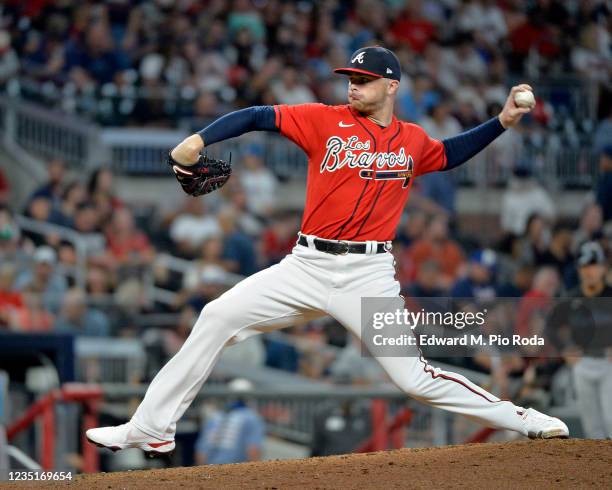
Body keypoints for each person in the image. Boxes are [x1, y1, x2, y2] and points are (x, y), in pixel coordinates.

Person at [87, 46, 568, 457]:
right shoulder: (323, 121)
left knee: (413, 379)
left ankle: (521, 418)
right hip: (306, 265)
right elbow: (258, 115)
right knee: (215, 316)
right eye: (350, 79)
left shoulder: (412, 141)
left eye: (363, 80)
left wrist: (502, 122)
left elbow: (450, 153)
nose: (353, 86)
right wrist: (199, 138)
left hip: (369, 275)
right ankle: (152, 428)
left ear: (391, 86)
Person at [566, 242, 612, 439]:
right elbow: (553, 327)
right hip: (583, 362)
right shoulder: (572, 297)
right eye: (584, 266)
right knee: (592, 426)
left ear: (603, 267)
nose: (589, 271)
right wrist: (564, 348)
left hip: (608, 363)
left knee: (611, 420)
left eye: (593, 265)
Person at [194, 379, 264, 465]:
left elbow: (201, 452)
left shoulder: (215, 416)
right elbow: (253, 450)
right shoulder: (252, 418)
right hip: (236, 472)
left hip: (210, 470)